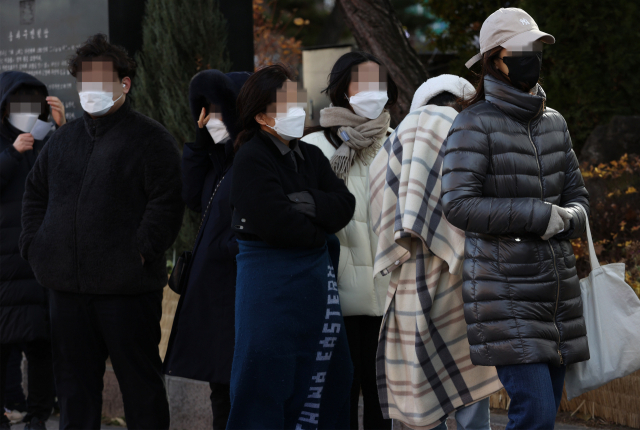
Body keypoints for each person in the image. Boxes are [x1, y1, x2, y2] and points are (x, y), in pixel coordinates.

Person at [19, 34, 184, 430]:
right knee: (74, 391)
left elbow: (167, 203)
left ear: (124, 84)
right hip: (66, 290)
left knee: (141, 389)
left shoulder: (151, 138)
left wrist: (140, 252)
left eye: (101, 81)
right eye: (84, 82)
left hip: (126, 291)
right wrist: (34, 246)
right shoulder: (64, 140)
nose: (90, 91)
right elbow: (35, 194)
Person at [441, 8, 589, 430]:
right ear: (494, 59)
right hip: (501, 290)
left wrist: (570, 218)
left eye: (537, 48)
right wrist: (536, 215)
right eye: (522, 49)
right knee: (535, 413)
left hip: (557, 291)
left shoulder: (555, 122)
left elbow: (579, 197)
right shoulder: (472, 123)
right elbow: (458, 205)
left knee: (544, 414)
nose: (533, 57)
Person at [226, 64, 356, 429]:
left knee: (329, 374)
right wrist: (320, 227)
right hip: (270, 287)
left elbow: (343, 205)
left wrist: (308, 203)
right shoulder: (251, 158)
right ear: (263, 116)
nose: (298, 107)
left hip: (315, 289)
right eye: (287, 102)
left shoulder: (310, 155)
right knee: (266, 374)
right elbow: (275, 223)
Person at [370, 74, 502, 430]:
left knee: (416, 391)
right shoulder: (467, 131)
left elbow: (376, 202)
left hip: (408, 278)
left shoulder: (393, 140)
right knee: (469, 391)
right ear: (462, 100)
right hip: (463, 274)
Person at [302, 51, 395, 430]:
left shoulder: (397, 140)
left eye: (380, 84)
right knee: (339, 397)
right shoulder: (316, 148)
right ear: (342, 89)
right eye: (364, 83)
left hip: (390, 292)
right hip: (337, 295)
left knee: (385, 401)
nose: (374, 92)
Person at [163, 69, 250, 430]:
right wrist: (200, 141)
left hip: (239, 288)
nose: (210, 119)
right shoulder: (217, 160)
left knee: (239, 388)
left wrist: (223, 247)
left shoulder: (252, 158)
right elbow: (191, 197)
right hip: (215, 294)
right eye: (205, 111)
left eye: (217, 111)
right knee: (221, 388)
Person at [0, 70, 66, 430]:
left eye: (32, 104)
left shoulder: (45, 141)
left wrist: (61, 128)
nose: (25, 111)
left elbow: (68, 176)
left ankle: (39, 415)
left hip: (38, 260)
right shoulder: (8, 143)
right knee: (4, 343)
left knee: (41, 346)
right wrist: (12, 153)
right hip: (5, 265)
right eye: (18, 103)